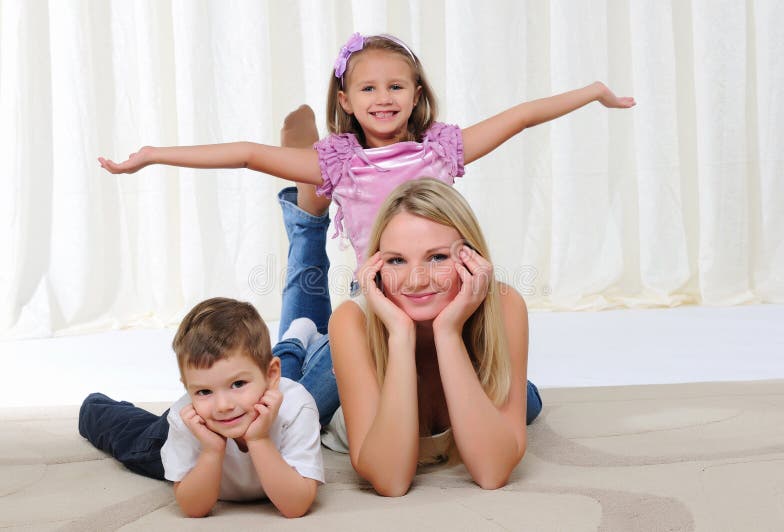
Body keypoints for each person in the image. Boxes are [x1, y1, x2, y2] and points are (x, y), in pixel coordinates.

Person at [98, 32, 635, 267]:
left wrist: (593, 93)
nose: (384, 98)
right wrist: (153, 153)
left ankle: (307, 194)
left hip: (438, 285)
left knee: (525, 401)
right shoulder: (342, 161)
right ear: (347, 101)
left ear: (417, 94)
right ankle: (305, 179)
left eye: (396, 87)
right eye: (369, 89)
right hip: (377, 298)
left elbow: (520, 117)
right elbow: (243, 153)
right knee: (306, 247)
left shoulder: (440, 152)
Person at [322, 178, 532, 496]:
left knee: (529, 403)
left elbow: (492, 471)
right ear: (376, 268)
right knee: (290, 403)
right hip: (333, 370)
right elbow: (390, 481)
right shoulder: (350, 322)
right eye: (396, 260)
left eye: (437, 257)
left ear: (470, 257)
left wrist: (447, 332)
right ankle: (299, 341)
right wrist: (400, 333)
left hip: (463, 342)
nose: (417, 280)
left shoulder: (506, 306)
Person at [78, 296, 325, 518]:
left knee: (270, 376)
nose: (223, 406)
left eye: (238, 383)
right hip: (193, 430)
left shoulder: (297, 408)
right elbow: (194, 508)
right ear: (188, 388)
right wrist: (211, 451)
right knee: (132, 441)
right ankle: (93, 406)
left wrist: (259, 440)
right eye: (204, 391)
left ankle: (296, 339)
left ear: (272, 375)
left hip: (257, 396)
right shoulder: (186, 418)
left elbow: (295, 506)